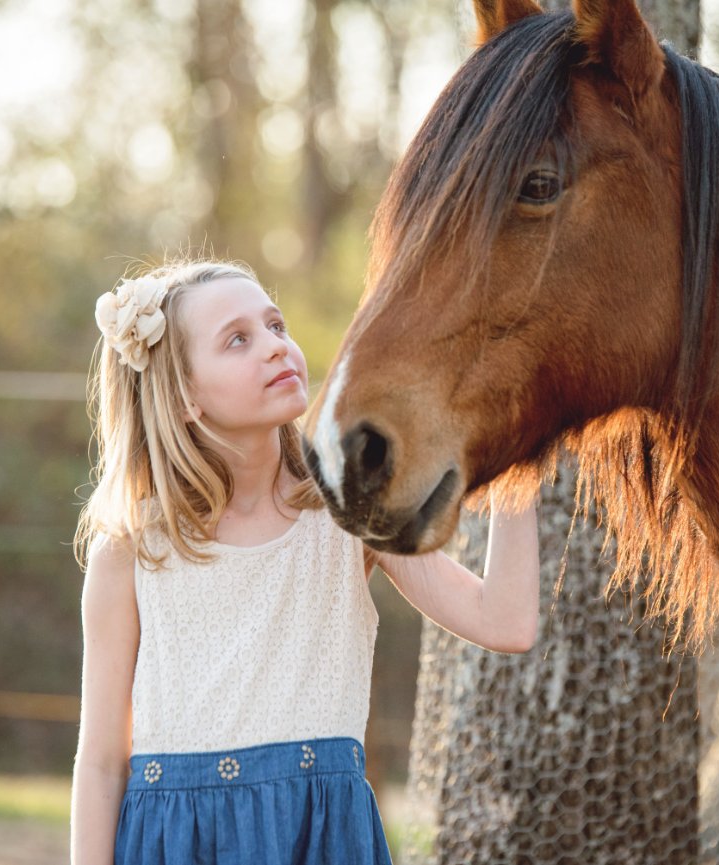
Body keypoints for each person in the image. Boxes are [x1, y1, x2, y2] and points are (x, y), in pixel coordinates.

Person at [69, 259, 540, 865]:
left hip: (321, 841)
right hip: (177, 846)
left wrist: (519, 452)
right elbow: (103, 762)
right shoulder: (132, 550)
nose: (275, 347)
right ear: (184, 396)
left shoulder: (348, 514)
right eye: (238, 339)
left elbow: (505, 622)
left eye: (275, 325)